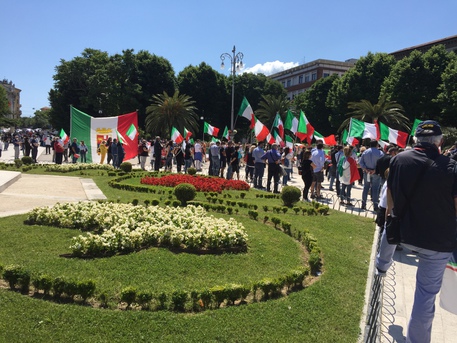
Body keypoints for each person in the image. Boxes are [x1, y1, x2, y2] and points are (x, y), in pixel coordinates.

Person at [376, 120, 457, 343]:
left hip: (404, 233)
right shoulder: (451, 167)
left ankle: (381, 266)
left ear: (415, 141)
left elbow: (390, 196)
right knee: (425, 297)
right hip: (437, 241)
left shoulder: (398, 160)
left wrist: (392, 218)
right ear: (440, 142)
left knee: (388, 233)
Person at [359, 140, 384, 210]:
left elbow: (361, 162)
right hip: (375, 172)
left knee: (365, 188)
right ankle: (375, 206)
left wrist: (365, 169)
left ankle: (363, 204)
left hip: (367, 172)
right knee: (375, 189)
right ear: (377, 145)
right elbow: (382, 163)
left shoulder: (365, 152)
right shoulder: (380, 153)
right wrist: (375, 170)